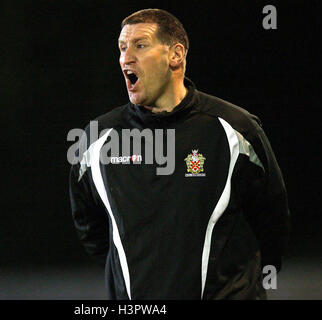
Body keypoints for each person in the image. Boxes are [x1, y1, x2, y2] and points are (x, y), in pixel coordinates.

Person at [69, 8, 290, 300]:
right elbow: (91, 229)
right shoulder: (97, 141)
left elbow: (272, 219)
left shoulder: (234, 130)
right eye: (122, 48)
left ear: (176, 55)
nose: (126, 57)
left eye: (140, 45)